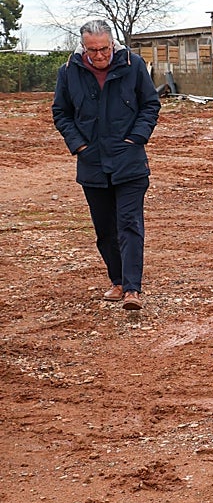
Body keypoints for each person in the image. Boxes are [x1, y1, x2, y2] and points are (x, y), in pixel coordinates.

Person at [52, 19, 160, 311]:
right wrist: (79, 145)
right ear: (82, 47)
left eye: (104, 49)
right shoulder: (69, 71)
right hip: (92, 163)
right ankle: (117, 280)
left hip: (129, 162)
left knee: (129, 223)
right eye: (92, 51)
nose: (99, 56)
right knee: (104, 229)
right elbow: (61, 112)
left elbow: (151, 104)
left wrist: (136, 138)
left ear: (113, 44)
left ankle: (132, 289)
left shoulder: (133, 65)